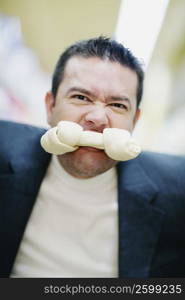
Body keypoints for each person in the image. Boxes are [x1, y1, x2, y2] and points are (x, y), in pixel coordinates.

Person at [0, 37, 185, 278]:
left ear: (134, 121)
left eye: (117, 105)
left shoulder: (177, 189)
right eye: (81, 97)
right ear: (50, 106)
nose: (97, 119)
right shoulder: (4, 148)